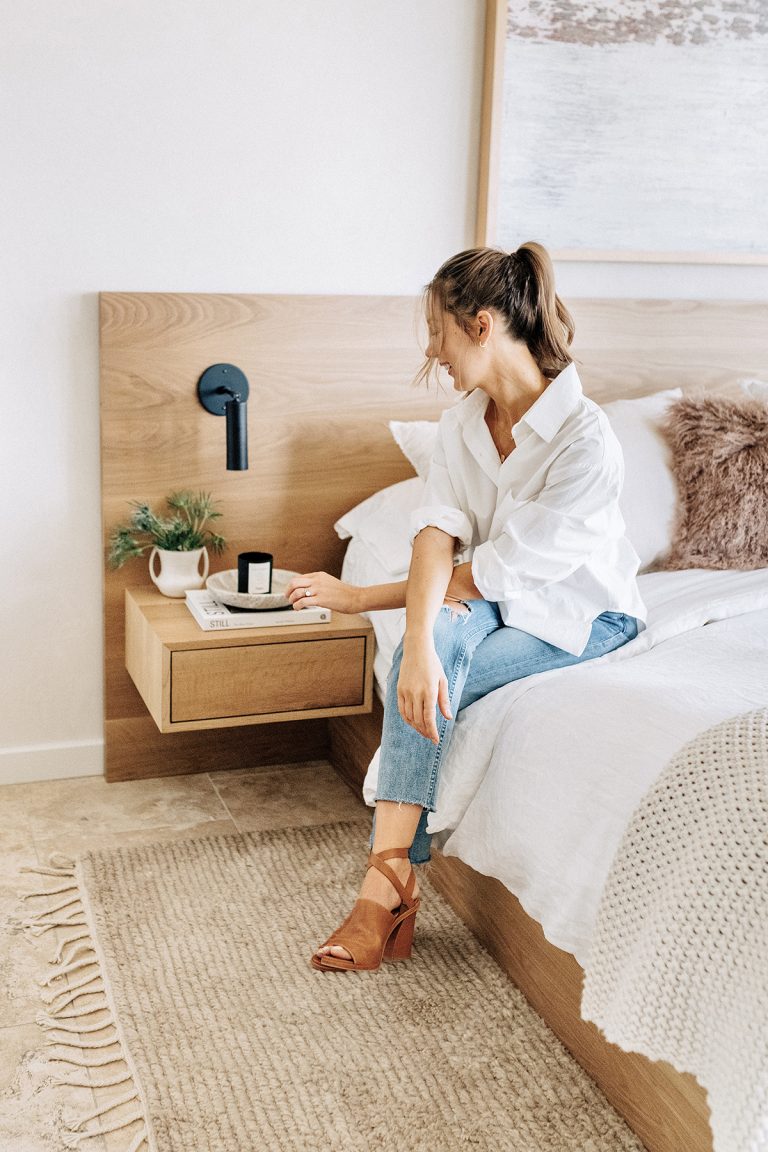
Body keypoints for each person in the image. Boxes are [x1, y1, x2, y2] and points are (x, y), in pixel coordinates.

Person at [285, 242, 647, 973]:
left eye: (437, 330)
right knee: (431, 645)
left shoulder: (586, 443)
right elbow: (435, 537)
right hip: (490, 596)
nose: (431, 349)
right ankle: (388, 880)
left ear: (480, 325)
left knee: (437, 659)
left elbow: (489, 575)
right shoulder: (461, 423)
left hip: (583, 619)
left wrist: (376, 608)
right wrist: (412, 643)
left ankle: (384, 889)